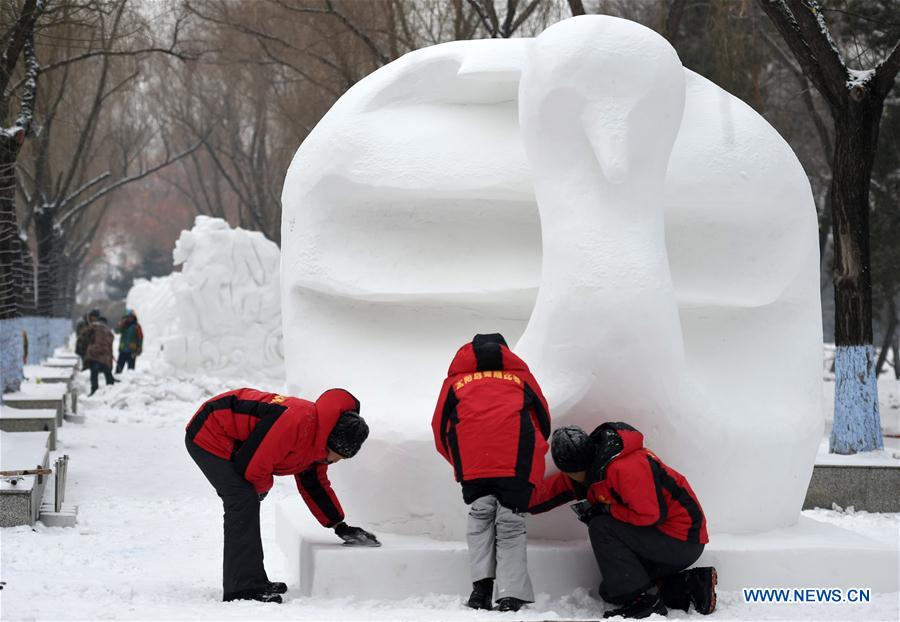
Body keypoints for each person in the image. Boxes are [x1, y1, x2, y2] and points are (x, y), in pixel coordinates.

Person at [185, 387, 377, 604]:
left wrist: (339, 525)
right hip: (210, 431)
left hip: (234, 441)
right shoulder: (296, 423)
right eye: (339, 455)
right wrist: (260, 491)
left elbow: (314, 484)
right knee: (242, 501)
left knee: (246, 501)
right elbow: (252, 467)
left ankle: (254, 580)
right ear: (331, 442)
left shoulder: (318, 443)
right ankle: (242, 588)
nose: (337, 461)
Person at [529, 423, 716, 619]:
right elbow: (552, 490)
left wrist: (606, 510)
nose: (571, 477)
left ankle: (645, 603)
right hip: (663, 538)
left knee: (601, 528)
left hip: (683, 538)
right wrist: (516, 500)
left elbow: (650, 514)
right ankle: (694, 585)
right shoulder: (589, 468)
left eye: (572, 473)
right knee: (613, 590)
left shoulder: (625, 467)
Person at [431, 333, 551, 612]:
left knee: (480, 518)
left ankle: (480, 590)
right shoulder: (521, 378)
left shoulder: (454, 382)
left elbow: (439, 428)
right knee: (510, 523)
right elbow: (543, 420)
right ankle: (510, 595)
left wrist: (462, 463)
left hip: (474, 463)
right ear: (506, 352)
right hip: (516, 461)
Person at [83, 316, 116, 396]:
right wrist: (110, 361)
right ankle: (111, 390)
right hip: (104, 356)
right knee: (107, 373)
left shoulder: (93, 327)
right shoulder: (108, 332)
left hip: (94, 355)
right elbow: (110, 346)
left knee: (94, 374)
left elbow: (84, 336)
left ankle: (94, 391)